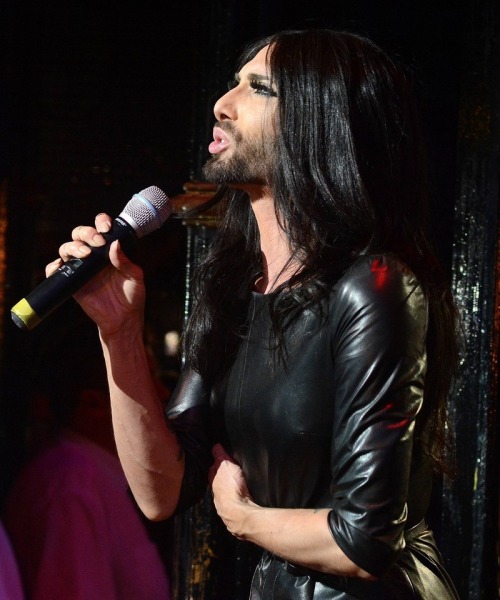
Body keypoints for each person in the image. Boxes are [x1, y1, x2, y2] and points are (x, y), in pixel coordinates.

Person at [47, 29, 460, 599]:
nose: (223, 102)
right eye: (232, 81)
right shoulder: (234, 292)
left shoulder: (373, 288)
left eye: (258, 87)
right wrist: (118, 332)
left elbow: (364, 538)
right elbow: (161, 490)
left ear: (317, 124)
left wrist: (245, 520)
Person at [3, 316, 171, 600]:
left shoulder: (87, 478)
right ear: (94, 404)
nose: (164, 393)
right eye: (146, 378)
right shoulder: (71, 485)